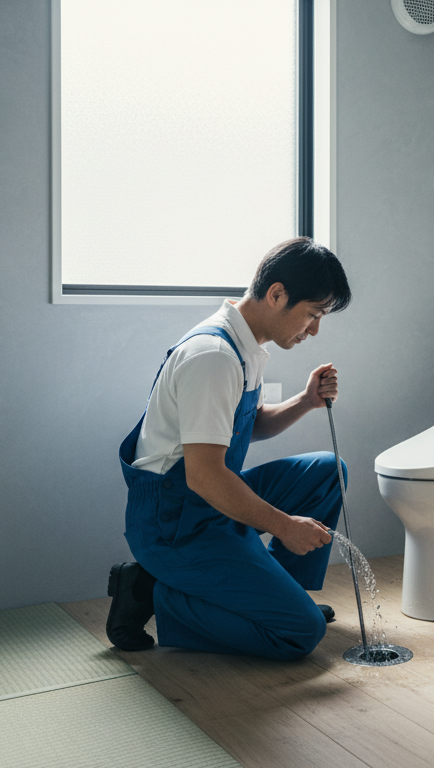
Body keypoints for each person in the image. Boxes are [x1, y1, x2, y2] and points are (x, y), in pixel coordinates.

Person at [108, 237, 351, 660]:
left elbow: (247, 426)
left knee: (328, 469)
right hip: (173, 523)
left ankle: (282, 590)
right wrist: (284, 526)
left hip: (208, 502)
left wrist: (306, 401)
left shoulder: (246, 347)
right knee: (298, 633)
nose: (314, 330)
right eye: (312, 315)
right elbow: (204, 476)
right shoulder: (214, 356)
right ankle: (155, 591)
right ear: (277, 294)